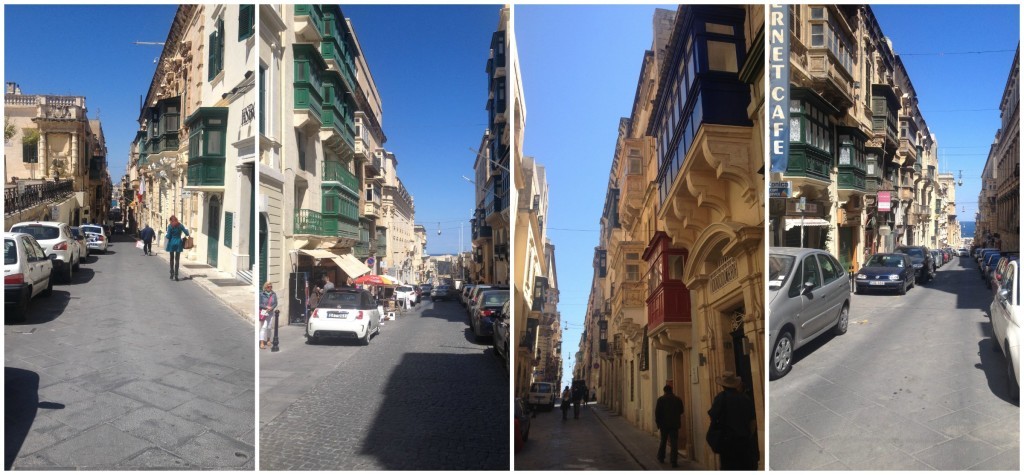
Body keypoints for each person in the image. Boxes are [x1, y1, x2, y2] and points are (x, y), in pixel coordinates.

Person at [708, 373, 757, 470]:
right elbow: (753, 421)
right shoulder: (745, 399)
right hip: (744, 442)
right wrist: (748, 435)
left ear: (723, 385)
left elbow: (713, 416)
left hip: (728, 443)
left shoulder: (721, 398)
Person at [655, 384, 684, 467]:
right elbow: (681, 411)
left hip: (664, 425)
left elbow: (657, 413)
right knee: (674, 443)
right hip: (674, 425)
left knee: (663, 441)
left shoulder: (661, 400)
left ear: (664, 391)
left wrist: (658, 423)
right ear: (671, 390)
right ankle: (674, 461)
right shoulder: (678, 399)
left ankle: (661, 457)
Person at [165, 215, 190, 281]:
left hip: (171, 243)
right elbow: (187, 233)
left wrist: (167, 235)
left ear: (171, 220)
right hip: (178, 243)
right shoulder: (180, 225)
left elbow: (168, 236)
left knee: (171, 259)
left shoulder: (170, 226)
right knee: (177, 260)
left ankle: (171, 274)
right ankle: (176, 275)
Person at [259, 281, 278, 349]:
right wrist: (266, 307)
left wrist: (271, 308)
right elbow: (259, 304)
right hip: (264, 312)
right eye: (268, 286)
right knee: (263, 327)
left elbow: (275, 303)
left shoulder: (273, 294)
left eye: (271, 286)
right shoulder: (261, 294)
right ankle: (261, 342)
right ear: (265, 287)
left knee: (269, 327)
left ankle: (268, 339)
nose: (270, 288)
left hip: (270, 312)